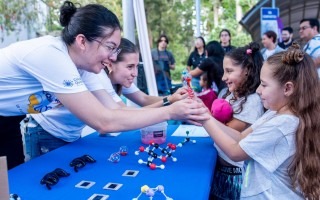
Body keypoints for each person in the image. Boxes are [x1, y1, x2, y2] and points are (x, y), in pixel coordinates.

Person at [0, 1, 207, 166]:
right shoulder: (52, 55)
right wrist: (171, 111)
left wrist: (171, 104)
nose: (112, 57)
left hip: (9, 118)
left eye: (116, 50)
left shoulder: (84, 66)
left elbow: (117, 110)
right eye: (110, 47)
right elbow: (104, 122)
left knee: (10, 181)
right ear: (82, 41)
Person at [24, 38, 189, 159]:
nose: (135, 73)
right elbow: (120, 113)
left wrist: (173, 99)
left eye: (136, 67)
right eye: (130, 67)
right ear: (110, 64)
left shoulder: (120, 77)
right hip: (46, 131)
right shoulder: (98, 77)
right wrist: (170, 108)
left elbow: (144, 99)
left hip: (71, 133)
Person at [203, 43, 320, 199]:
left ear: (287, 88)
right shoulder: (274, 113)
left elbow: (236, 152)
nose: (258, 90)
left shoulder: (282, 125)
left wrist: (203, 118)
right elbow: (241, 138)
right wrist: (206, 116)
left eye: (264, 85)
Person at [209, 42, 265, 200]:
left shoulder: (252, 101)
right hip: (219, 167)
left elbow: (225, 132)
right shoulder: (228, 94)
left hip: (233, 175)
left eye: (229, 71)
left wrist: (203, 116)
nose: (223, 77)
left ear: (247, 70)